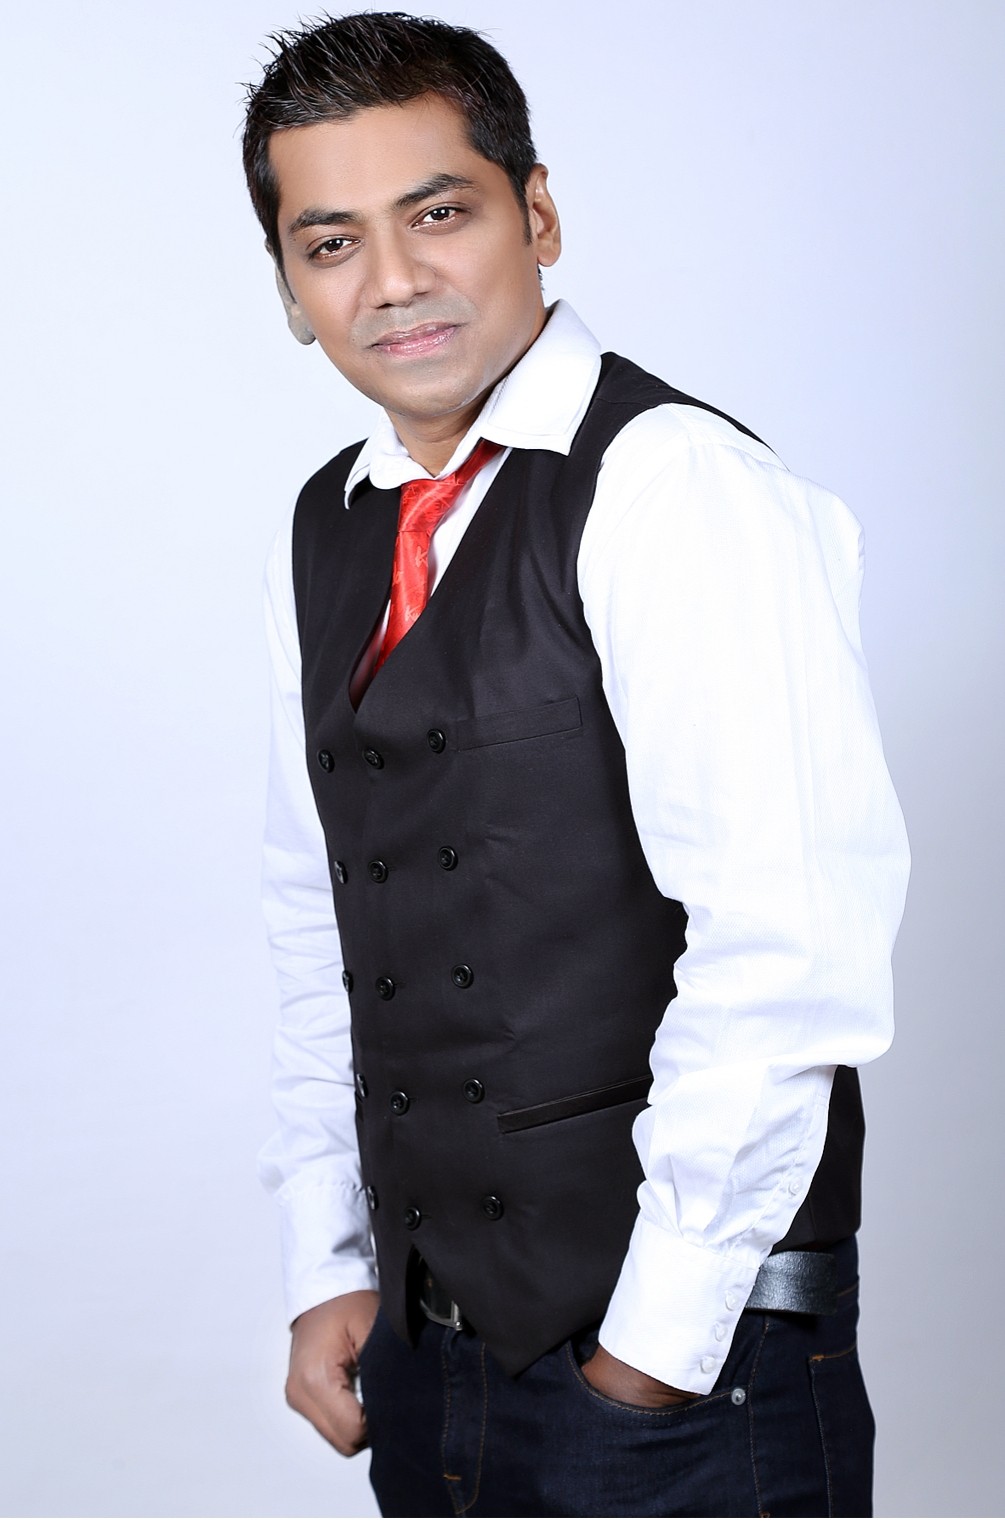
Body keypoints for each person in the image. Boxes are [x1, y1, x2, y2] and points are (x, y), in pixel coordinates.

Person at [242, 12, 910, 1516]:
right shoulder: (329, 524)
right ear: (290, 287)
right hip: (431, 1352)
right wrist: (329, 1261)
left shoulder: (676, 485)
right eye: (331, 242)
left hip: (685, 1361)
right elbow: (318, 915)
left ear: (536, 214)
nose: (391, 280)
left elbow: (787, 948)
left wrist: (648, 1360)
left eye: (438, 214)